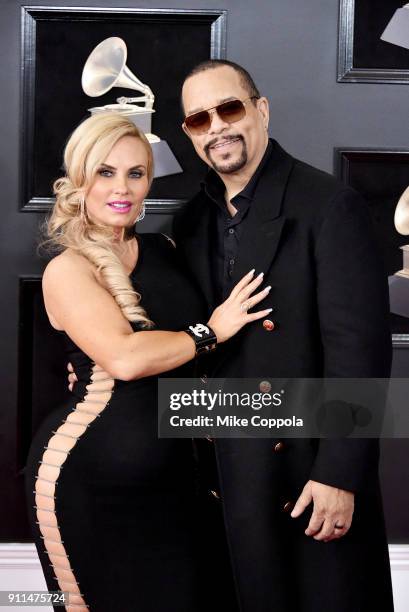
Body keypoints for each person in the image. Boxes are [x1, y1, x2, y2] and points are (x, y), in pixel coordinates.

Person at [24, 112, 273, 612]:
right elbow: (124, 358)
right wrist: (210, 331)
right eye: (106, 172)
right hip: (92, 481)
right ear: (79, 180)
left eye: (136, 173)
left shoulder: (167, 248)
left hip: (179, 480)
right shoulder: (67, 268)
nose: (123, 188)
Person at [171, 59, 395, 611]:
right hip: (218, 479)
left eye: (229, 108)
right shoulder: (188, 222)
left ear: (261, 110)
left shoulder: (329, 205)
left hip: (304, 475)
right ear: (189, 134)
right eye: (199, 119)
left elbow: (359, 351)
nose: (217, 126)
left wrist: (340, 474)